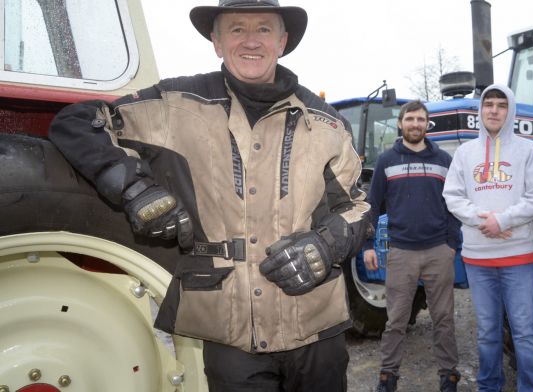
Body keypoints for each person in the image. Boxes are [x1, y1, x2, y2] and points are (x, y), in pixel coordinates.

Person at [48, 1, 371, 391]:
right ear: (216, 41)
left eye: (264, 29)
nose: (250, 40)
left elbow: (358, 206)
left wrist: (324, 244)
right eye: (236, 29)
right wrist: (135, 189)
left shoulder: (326, 123)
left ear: (282, 42)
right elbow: (80, 122)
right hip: (229, 335)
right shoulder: (173, 106)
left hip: (316, 329)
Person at [443, 84, 533, 392]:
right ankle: (489, 387)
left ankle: (530, 388)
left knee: (525, 331)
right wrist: (482, 221)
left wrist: (502, 219)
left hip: (519, 257)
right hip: (478, 258)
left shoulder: (528, 150)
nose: (494, 110)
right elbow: (452, 196)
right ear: (481, 110)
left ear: (510, 110)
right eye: (488, 104)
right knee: (487, 331)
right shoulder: (465, 153)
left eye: (501, 105)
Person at [363, 100, 461, 392]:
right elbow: (372, 205)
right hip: (401, 252)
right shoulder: (386, 161)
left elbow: (454, 204)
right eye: (410, 119)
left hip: (437, 252)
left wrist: (451, 244)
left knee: (443, 317)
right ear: (400, 123)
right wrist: (368, 243)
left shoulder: (443, 160)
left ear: (426, 124)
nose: (415, 124)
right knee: (396, 319)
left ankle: (449, 375)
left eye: (420, 119)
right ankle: (388, 377)